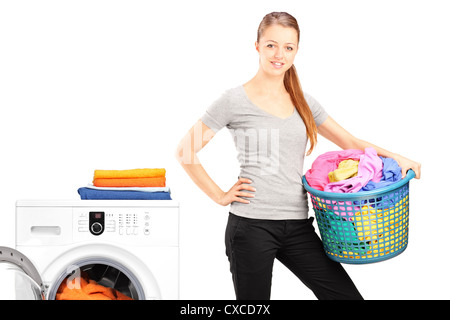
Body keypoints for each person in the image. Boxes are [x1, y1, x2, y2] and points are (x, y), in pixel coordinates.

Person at [175, 12, 421, 300]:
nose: (279, 54)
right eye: (271, 45)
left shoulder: (303, 101)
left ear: (296, 51)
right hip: (251, 226)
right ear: (257, 46)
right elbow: (185, 150)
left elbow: (350, 142)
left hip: (297, 225)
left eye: (288, 47)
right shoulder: (232, 100)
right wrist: (219, 195)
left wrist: (398, 158)